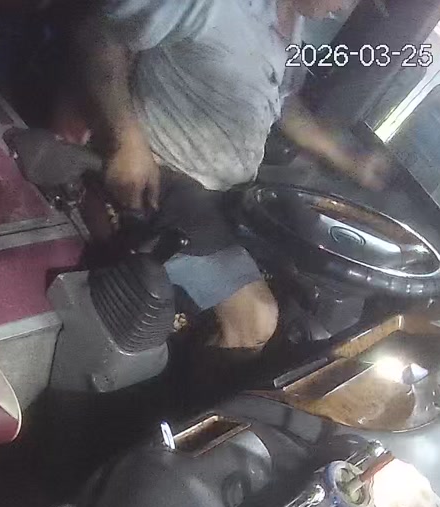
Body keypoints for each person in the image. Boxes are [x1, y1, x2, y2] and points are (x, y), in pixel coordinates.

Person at [75, 0, 392, 351]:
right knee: (256, 319)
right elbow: (102, 35)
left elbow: (284, 104)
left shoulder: (292, 29)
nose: (345, 8)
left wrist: (348, 160)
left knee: (299, 280)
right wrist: (128, 140)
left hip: (222, 193)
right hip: (163, 176)